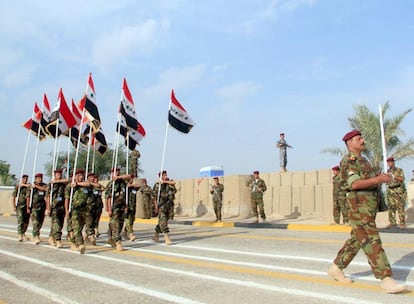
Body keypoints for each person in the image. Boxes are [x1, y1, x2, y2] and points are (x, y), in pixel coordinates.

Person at [327, 130, 406, 294]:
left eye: (362, 137)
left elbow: (367, 181)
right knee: (371, 240)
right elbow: (354, 184)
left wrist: (380, 177)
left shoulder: (364, 161)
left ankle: (336, 267)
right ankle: (386, 279)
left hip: (367, 207)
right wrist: (377, 180)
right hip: (358, 208)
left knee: (357, 239)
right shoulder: (349, 161)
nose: (363, 141)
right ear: (350, 143)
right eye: (359, 139)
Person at [105, 168, 132, 251]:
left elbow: (130, 176)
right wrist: (109, 209)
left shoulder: (123, 182)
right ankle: (118, 242)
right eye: (115, 172)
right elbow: (108, 197)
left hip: (122, 207)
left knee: (120, 224)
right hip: (114, 207)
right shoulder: (111, 184)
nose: (117, 173)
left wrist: (119, 177)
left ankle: (111, 238)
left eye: (118, 172)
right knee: (116, 224)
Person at [65, 169, 90, 254]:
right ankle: (80, 245)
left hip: (84, 209)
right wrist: (67, 210)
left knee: (80, 227)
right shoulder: (70, 186)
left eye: (81, 175)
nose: (81, 177)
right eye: (78, 175)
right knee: (76, 228)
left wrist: (78, 184)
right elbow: (67, 199)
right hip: (75, 209)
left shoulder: (84, 184)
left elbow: (89, 184)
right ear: (75, 176)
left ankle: (73, 243)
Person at [46, 169, 69, 248]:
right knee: (57, 224)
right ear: (54, 175)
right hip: (54, 207)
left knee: (60, 224)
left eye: (60, 174)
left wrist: (57, 181)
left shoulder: (63, 184)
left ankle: (51, 237)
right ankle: (58, 240)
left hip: (61, 207)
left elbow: (68, 180)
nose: (59, 176)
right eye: (57, 174)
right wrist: (48, 208)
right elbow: (47, 197)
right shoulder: (51, 185)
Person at [153, 170, 176, 245]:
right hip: (161, 206)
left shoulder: (169, 182)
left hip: (169, 206)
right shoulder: (157, 185)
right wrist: (156, 207)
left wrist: (165, 182)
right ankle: (166, 238)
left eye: (166, 175)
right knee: (163, 221)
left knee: (163, 221)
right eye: (164, 175)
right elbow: (154, 197)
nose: (166, 176)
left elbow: (174, 183)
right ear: (161, 177)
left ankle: (156, 235)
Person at [385, 157, 407, 229]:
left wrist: (394, 176)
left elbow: (402, 179)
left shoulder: (399, 170)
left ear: (393, 162)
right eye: (388, 162)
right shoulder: (388, 171)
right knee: (391, 207)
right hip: (391, 191)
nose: (389, 163)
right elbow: (387, 182)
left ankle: (402, 223)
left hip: (398, 192)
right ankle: (392, 222)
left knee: (400, 207)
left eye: (391, 162)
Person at [29, 173, 47, 245]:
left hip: (42, 207)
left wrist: (36, 186)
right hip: (34, 207)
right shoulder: (32, 186)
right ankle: (36, 236)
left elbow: (46, 189)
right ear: (35, 179)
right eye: (38, 178)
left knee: (40, 223)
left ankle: (34, 235)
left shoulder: (44, 185)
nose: (40, 179)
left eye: (41, 178)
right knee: (35, 222)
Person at [12, 174, 31, 242]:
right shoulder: (18, 187)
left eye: (26, 179)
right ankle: (20, 234)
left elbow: (29, 195)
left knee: (26, 222)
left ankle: (23, 233)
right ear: (21, 179)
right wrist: (14, 206)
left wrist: (28, 207)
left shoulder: (29, 186)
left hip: (27, 206)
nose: (25, 180)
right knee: (20, 220)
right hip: (20, 206)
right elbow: (13, 197)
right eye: (24, 179)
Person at [122, 176, 140, 241]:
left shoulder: (133, 188)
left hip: (132, 206)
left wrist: (131, 185)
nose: (132, 180)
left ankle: (125, 232)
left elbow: (139, 186)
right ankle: (131, 234)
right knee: (128, 220)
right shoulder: (124, 187)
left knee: (132, 220)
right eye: (131, 179)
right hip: (126, 206)